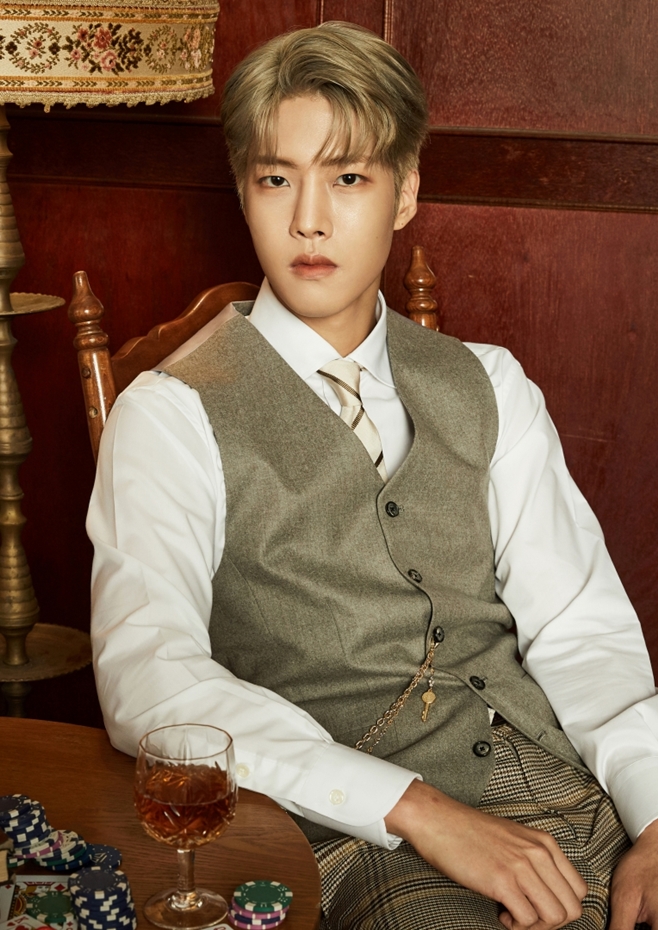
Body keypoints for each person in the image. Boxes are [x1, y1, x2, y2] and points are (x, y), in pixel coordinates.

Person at [87, 21, 658, 930]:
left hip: (573, 793)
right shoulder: (170, 416)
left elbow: (580, 627)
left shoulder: (491, 385)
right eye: (277, 179)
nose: (309, 219)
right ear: (243, 191)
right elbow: (150, 680)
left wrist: (656, 818)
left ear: (406, 192)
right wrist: (414, 808)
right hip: (364, 839)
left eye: (348, 178)